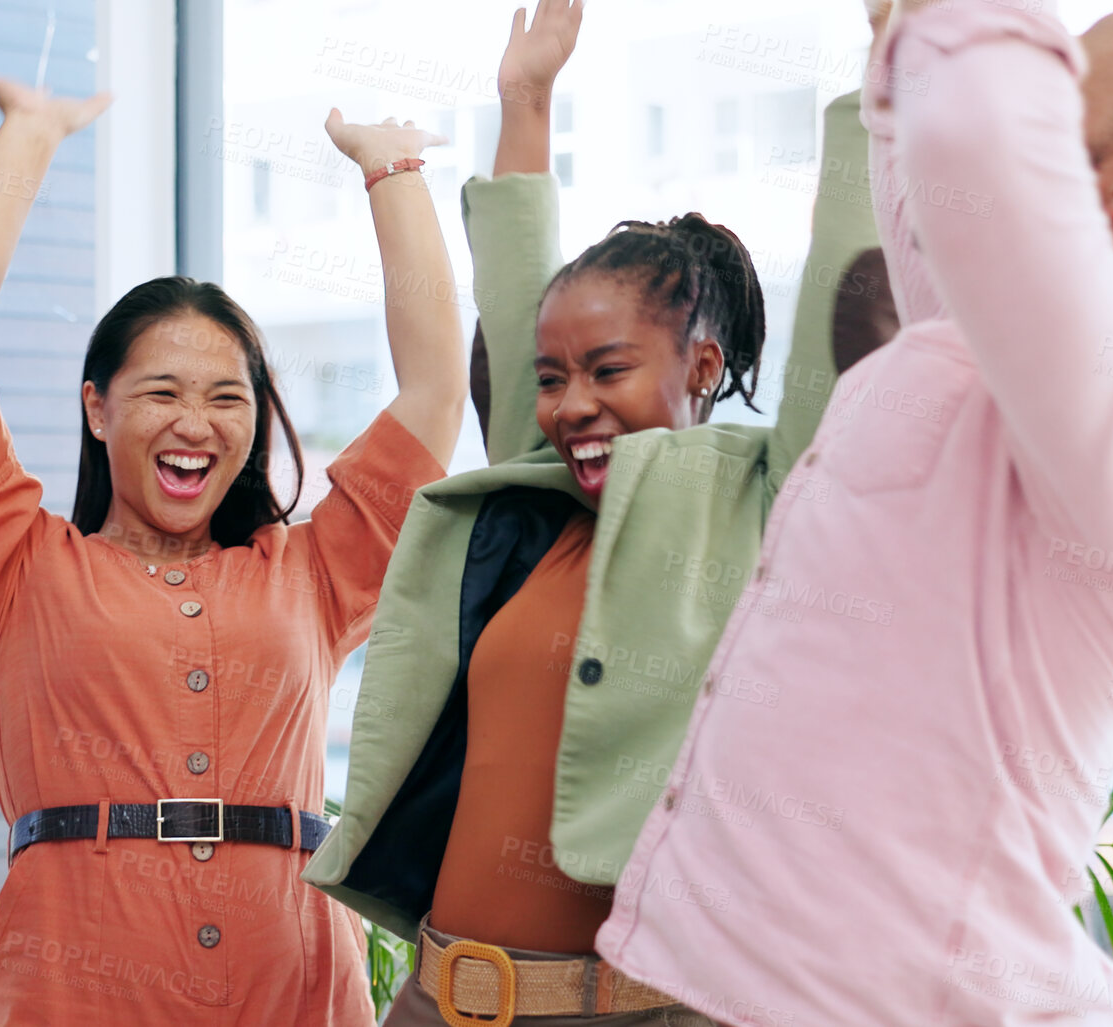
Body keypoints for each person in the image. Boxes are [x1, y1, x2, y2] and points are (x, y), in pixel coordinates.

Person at [597, 2, 1113, 1024]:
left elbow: (973, 146)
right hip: (724, 986)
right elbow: (945, 206)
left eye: (1062, 74)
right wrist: (904, 39)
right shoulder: (1008, 367)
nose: (1030, 78)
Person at [301, 2, 896, 1024]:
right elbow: (515, 303)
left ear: (702, 365)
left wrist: (890, 69)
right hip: (441, 1000)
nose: (571, 403)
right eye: (553, 377)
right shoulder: (535, 508)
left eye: (609, 369)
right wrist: (524, 100)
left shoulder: (770, 503)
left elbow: (850, 333)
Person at [0, 77, 467, 1019]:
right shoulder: (15, 564)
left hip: (295, 985)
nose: (197, 423)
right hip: (78, 988)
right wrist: (28, 135)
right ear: (97, 408)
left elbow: (433, 389)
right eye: (162, 392)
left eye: (229, 397)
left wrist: (393, 170)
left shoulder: (311, 571)